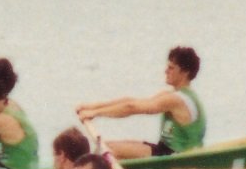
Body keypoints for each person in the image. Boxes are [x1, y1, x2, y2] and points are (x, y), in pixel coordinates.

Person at [77, 46, 207, 160]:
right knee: (109, 147)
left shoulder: (175, 100)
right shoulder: (172, 95)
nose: (165, 71)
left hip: (177, 157)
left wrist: (96, 113)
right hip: (165, 149)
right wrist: (92, 107)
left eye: (171, 68)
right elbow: (131, 102)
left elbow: (131, 108)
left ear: (185, 73)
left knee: (106, 149)